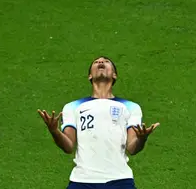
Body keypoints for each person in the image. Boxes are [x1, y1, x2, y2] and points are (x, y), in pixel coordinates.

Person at [38, 56, 160, 189]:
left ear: (114, 75)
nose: (101, 62)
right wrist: (54, 131)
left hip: (119, 179)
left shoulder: (131, 107)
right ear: (90, 76)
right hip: (82, 180)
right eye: (96, 62)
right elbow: (68, 146)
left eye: (106, 62)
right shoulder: (72, 107)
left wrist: (142, 139)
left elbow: (132, 148)